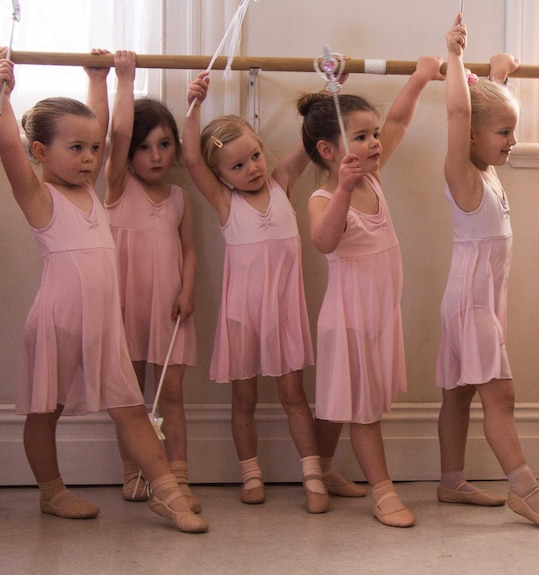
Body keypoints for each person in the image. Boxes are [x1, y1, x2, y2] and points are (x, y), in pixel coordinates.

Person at [0, 49, 206, 533]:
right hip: (58, 322)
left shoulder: (96, 194)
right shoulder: (40, 198)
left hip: (104, 324)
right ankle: (52, 491)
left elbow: (111, 131)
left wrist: (101, 79)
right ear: (40, 153)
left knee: (132, 408)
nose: (90, 158)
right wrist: (3, 95)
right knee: (43, 412)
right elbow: (8, 150)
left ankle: (169, 494)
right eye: (76, 149)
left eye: (93, 150)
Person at [435, 16, 539, 531]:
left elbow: (481, 115)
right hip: (472, 301)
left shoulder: (486, 168)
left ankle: (451, 481)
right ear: (470, 134)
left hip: (476, 298)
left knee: (460, 392)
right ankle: (526, 490)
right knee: (500, 396)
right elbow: (459, 112)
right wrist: (452, 56)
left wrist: (498, 74)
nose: (513, 140)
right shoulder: (462, 173)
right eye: (506, 132)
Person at [300, 55, 443, 528]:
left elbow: (400, 117)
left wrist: (420, 77)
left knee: (341, 399)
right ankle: (383, 493)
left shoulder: (376, 178)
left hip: (380, 315)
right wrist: (342, 189)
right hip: (349, 317)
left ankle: (319, 468)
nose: (375, 142)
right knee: (361, 409)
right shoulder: (322, 199)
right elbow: (324, 242)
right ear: (328, 150)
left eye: (373, 133)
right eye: (360, 137)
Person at [184, 71, 327, 513]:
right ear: (221, 175)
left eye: (255, 156)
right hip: (242, 314)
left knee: (293, 395)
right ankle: (250, 473)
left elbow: (311, 143)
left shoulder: (282, 182)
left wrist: (324, 96)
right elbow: (190, 159)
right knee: (243, 397)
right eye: (238, 166)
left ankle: (313, 473)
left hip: (284, 311)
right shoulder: (227, 204)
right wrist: (193, 105)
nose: (252, 169)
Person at [104, 51, 199, 511]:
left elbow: (189, 250)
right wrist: (125, 81)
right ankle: (135, 472)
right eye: (144, 147)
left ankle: (177, 476)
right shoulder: (117, 186)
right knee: (129, 394)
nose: (156, 155)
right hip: (124, 307)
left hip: (168, 309)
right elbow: (118, 134)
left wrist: (187, 291)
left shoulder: (180, 197)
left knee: (171, 395)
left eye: (164, 144)